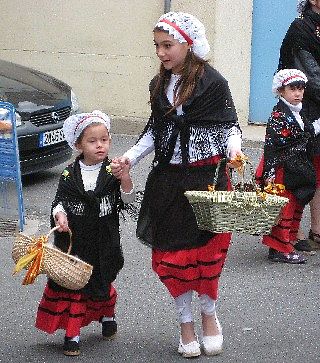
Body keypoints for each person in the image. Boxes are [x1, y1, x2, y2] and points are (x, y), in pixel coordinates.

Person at [111, 12, 243, 358]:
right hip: (168, 181)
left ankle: (209, 314)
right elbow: (156, 131)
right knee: (172, 257)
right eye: (157, 45)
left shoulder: (214, 83)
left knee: (206, 255)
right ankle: (185, 321)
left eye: (167, 45)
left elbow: (230, 126)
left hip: (206, 180)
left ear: (188, 45)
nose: (160, 52)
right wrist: (129, 158)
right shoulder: (159, 85)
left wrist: (236, 151)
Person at [35, 110, 134, 356]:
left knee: (102, 281)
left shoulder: (112, 171)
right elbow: (59, 202)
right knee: (75, 288)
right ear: (78, 144)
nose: (100, 145)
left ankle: (108, 317)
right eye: (92, 141)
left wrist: (125, 178)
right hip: (77, 244)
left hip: (104, 242)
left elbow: (128, 198)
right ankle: (73, 334)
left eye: (104, 139)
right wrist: (60, 216)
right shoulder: (69, 174)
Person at [257, 69, 320, 264]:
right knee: (285, 206)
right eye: (293, 89)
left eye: (301, 88)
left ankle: (289, 239)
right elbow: (272, 146)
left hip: (296, 168)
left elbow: (308, 130)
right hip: (282, 169)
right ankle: (278, 248)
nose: (298, 93)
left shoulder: (297, 111)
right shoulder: (278, 115)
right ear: (281, 91)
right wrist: (268, 173)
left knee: (297, 202)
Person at [278, 0, 320, 251]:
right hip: (306, 108)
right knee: (307, 172)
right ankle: (294, 234)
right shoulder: (301, 29)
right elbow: (311, 77)